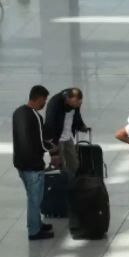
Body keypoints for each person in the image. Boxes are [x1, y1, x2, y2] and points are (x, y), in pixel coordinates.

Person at [12, 85, 56, 241]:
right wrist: (53, 149)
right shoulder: (35, 116)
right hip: (34, 165)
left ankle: (37, 223)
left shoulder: (17, 113)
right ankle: (34, 231)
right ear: (39, 99)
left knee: (32, 197)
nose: (44, 103)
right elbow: (41, 143)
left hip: (20, 163)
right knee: (35, 200)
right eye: (44, 100)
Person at [45, 87, 88, 174]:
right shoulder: (54, 104)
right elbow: (49, 125)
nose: (77, 105)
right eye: (75, 103)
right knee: (61, 166)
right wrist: (53, 151)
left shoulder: (75, 103)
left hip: (68, 137)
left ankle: (74, 183)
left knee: (74, 164)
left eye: (79, 103)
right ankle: (64, 184)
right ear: (68, 99)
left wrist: (81, 125)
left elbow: (76, 115)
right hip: (56, 139)